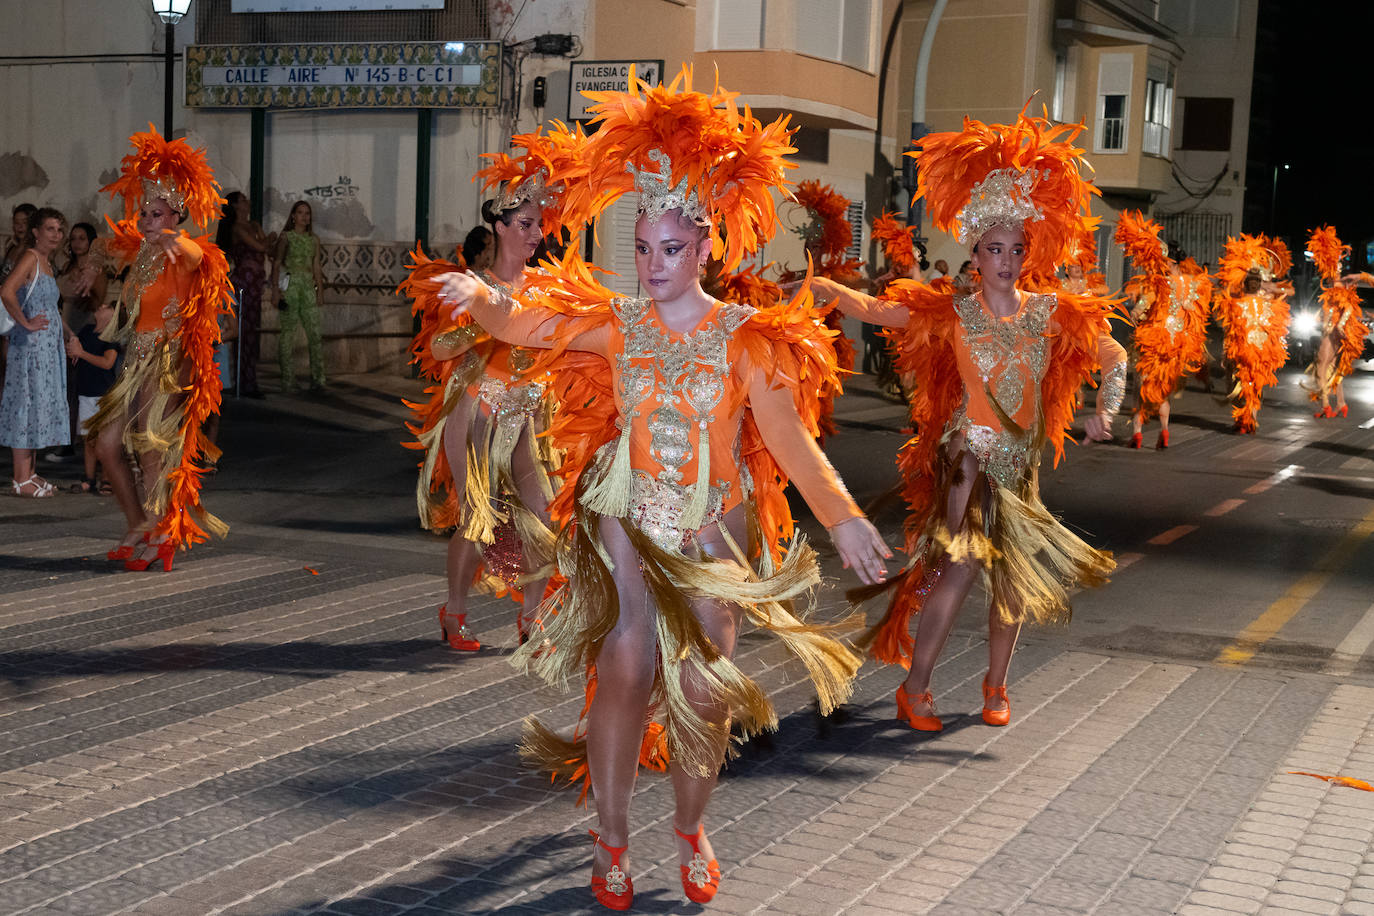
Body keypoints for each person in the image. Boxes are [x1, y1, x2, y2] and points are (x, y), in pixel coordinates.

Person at [438, 69, 890, 910]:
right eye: (641, 248)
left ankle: (689, 825)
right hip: (629, 518)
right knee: (628, 662)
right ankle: (610, 838)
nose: (651, 265)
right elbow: (530, 324)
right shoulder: (621, 325)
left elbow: (791, 444)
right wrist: (482, 297)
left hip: (712, 530)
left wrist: (847, 517)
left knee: (704, 690)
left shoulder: (745, 340)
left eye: (670, 250)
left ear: (706, 247)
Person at [810, 108, 1126, 733]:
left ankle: (995, 687)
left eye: (1014, 250)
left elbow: (1114, 355)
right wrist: (827, 288)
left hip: (1021, 466)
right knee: (960, 564)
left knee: (1012, 578)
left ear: (1025, 252)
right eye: (992, 249)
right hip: (968, 458)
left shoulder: (1048, 313)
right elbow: (879, 310)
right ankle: (917, 689)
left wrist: (1104, 410)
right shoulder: (952, 311)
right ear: (974, 252)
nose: (1004, 261)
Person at [401, 150, 564, 653]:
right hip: (479, 409)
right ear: (498, 225)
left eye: (540, 224)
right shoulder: (473, 287)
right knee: (478, 518)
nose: (536, 234)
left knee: (545, 517)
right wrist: (486, 322)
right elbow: (437, 347)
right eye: (525, 223)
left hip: (531, 413)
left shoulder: (547, 286)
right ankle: (454, 610)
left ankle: (532, 618)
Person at [86, 126, 233, 570]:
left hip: (170, 362)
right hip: (136, 359)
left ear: (174, 216)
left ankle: (163, 532)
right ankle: (138, 523)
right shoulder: (143, 256)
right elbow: (114, 273)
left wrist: (178, 241)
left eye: (155, 214)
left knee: (151, 447)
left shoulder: (181, 250)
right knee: (107, 442)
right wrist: (109, 310)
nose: (146, 221)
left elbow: (196, 257)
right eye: (144, 214)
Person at [1114, 212, 1211, 449]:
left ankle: (1137, 435)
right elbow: (1197, 311)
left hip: (1153, 339)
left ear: (1172, 263)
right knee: (1164, 391)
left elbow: (1142, 305)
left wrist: (1135, 314)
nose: (1161, 266)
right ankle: (1165, 431)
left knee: (1141, 388)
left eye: (1164, 263)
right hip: (1176, 343)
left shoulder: (1159, 282)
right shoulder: (1191, 283)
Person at [0, 207, 69, 496]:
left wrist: (69, 335)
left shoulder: (46, 262)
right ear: (37, 232)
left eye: (59, 230)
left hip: (46, 349)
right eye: (50, 229)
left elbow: (50, 308)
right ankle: (20, 478)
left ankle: (30, 473)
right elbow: (6, 291)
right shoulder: (30, 257)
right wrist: (25, 322)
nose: (56, 235)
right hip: (30, 348)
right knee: (26, 404)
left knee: (38, 405)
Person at [1213, 234, 1290, 434]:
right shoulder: (1269, 304)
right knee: (1255, 384)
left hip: (1242, 349)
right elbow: (1276, 329)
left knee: (1238, 384)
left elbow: (1230, 330)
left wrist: (1225, 354)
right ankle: (1251, 419)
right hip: (1262, 350)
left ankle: (1244, 420)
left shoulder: (1235, 304)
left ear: (1245, 284)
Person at [1305, 226, 1369, 419]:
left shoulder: (1341, 285)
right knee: (1330, 365)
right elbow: (1331, 308)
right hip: (1332, 329)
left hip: (1333, 331)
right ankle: (1341, 403)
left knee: (1321, 366)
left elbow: (1348, 307)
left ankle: (1326, 405)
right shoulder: (1333, 287)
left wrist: (1339, 325)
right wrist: (1320, 315)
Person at [216, 191, 271, 398]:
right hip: (244, 285)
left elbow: (267, 249)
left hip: (255, 284)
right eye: (243, 200)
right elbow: (261, 246)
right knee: (244, 333)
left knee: (251, 333)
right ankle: (244, 383)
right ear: (236, 206)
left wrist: (263, 234)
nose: (247, 202)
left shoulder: (253, 225)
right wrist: (269, 237)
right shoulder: (238, 228)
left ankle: (249, 381)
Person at [270, 200, 326, 393]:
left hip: (308, 286)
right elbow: (277, 264)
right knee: (288, 333)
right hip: (291, 284)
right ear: (293, 216)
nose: (304, 217)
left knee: (315, 334)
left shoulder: (314, 239)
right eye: (300, 213)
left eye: (307, 213)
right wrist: (276, 291)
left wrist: (320, 290)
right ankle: (288, 379)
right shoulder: (286, 237)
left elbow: (317, 265)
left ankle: (318, 379)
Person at [65, 299, 120, 493]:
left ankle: (107, 478)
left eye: (107, 306)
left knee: (105, 440)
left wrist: (82, 353)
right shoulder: (87, 331)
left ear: (114, 315)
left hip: (103, 394)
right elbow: (75, 349)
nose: (101, 306)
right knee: (89, 439)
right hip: (85, 393)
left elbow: (107, 363)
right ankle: (89, 478)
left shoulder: (111, 337)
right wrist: (72, 349)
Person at [2, 203, 37, 281]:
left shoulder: (34, 252)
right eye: (16, 222)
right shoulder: (11, 247)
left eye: (25, 222)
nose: (20, 226)